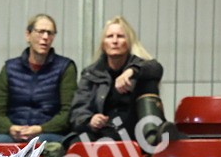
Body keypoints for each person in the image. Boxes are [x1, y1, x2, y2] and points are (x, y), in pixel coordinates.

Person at [0, 14, 77, 157]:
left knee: (48, 147)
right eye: (40, 31)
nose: (45, 37)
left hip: (48, 133)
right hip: (13, 133)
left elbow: (67, 113)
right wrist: (11, 128)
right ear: (28, 35)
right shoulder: (10, 68)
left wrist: (40, 129)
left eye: (50, 33)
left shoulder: (65, 67)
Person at [68, 15, 165, 146]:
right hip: (103, 131)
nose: (115, 41)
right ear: (103, 43)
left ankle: (152, 137)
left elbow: (156, 68)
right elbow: (78, 110)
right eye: (110, 36)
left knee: (148, 79)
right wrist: (90, 120)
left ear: (128, 42)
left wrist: (131, 72)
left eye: (120, 36)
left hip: (134, 131)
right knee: (75, 144)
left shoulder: (140, 65)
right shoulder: (91, 73)